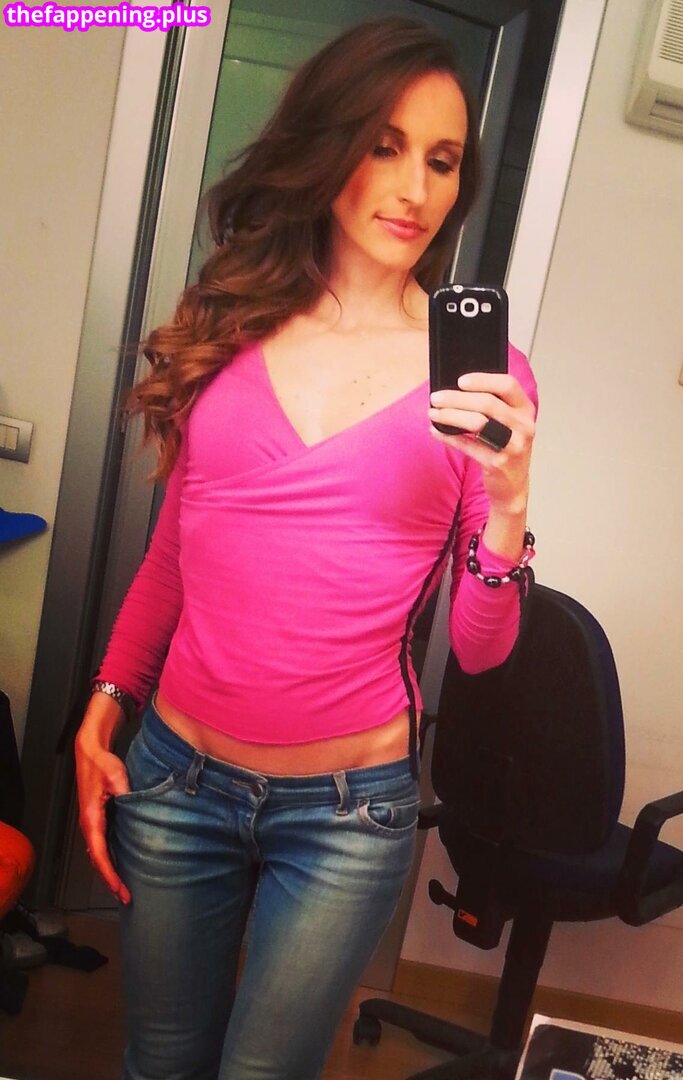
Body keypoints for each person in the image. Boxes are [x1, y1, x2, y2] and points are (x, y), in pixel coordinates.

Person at [75, 15, 538, 1080]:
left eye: (440, 160)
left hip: (343, 816)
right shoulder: (232, 323)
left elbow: (479, 651)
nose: (413, 188)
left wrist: (508, 500)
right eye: (383, 145)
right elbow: (173, 558)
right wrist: (105, 701)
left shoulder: (482, 377)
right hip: (174, 780)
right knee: (160, 1063)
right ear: (327, 145)